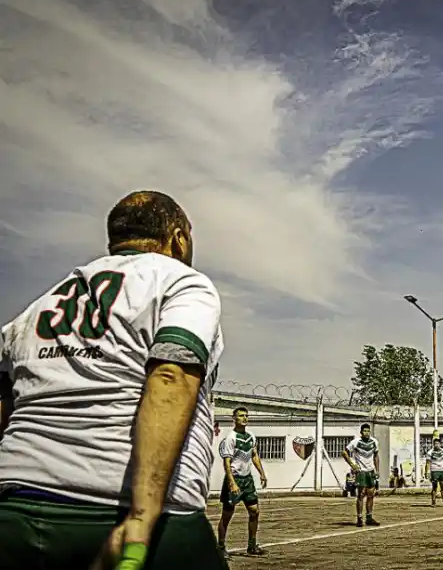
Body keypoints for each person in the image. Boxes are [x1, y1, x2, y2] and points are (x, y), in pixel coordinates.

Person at [0, 191, 227, 570]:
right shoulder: (183, 284)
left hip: (16, 512)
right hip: (127, 513)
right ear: (178, 238)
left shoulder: (38, 307)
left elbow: (6, 408)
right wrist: (142, 515)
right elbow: (170, 375)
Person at [217, 406, 268, 559]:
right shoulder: (230, 438)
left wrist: (262, 473)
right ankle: (220, 547)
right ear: (234, 419)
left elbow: (254, 455)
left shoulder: (251, 436)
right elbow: (226, 463)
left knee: (254, 511)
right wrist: (232, 483)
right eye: (241, 416)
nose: (245, 418)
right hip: (235, 478)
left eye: (246, 415)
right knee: (227, 514)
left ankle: (252, 546)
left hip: (247, 480)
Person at [342, 423, 381, 527]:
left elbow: (376, 456)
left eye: (368, 431)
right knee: (361, 494)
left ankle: (369, 517)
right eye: (364, 431)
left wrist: (377, 470)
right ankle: (359, 518)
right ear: (361, 432)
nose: (366, 433)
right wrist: (353, 465)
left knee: (371, 494)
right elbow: (344, 453)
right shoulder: (355, 442)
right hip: (361, 472)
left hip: (371, 471)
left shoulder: (374, 442)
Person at [424, 437, 443, 507]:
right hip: (434, 471)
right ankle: (433, 502)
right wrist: (426, 472)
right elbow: (427, 463)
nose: (436, 445)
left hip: (442, 471)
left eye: (438, 443)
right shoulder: (430, 452)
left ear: (440, 444)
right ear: (433, 444)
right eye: (435, 443)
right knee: (434, 487)